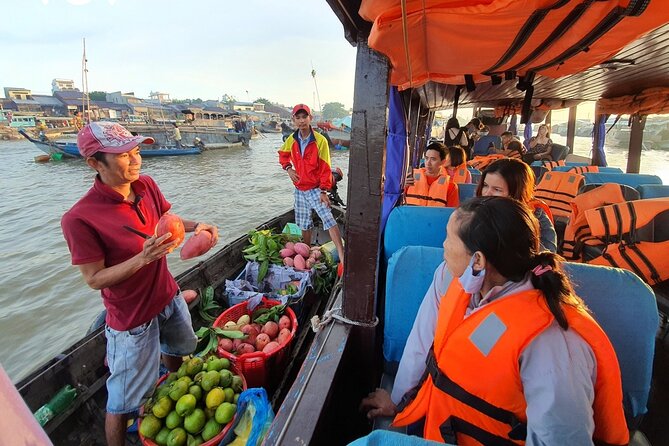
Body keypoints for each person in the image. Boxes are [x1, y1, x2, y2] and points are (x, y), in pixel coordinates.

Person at [361, 196, 628, 446]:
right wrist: (399, 402)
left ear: (477, 261)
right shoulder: (467, 288)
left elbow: (561, 437)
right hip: (442, 429)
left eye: (448, 238)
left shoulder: (551, 342)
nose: (443, 245)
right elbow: (431, 353)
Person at [61, 121, 219, 446]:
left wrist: (197, 226)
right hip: (132, 319)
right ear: (95, 163)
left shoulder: (145, 185)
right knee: (121, 402)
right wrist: (142, 259)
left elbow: (169, 222)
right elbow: (94, 279)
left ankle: (177, 386)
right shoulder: (79, 218)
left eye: (136, 151)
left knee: (179, 349)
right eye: (123, 155)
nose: (135, 160)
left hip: (168, 295)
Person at [278, 104, 345, 265]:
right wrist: (288, 169)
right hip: (300, 189)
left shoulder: (320, 141)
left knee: (329, 220)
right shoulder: (291, 140)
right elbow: (282, 155)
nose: (301, 121)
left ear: (310, 118)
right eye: (298, 117)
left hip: (316, 189)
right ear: (293, 119)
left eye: (304, 117)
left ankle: (343, 258)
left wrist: (323, 191)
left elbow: (325, 168)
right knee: (304, 223)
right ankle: (306, 252)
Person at [477, 158, 556, 252]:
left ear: (516, 193)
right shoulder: (474, 213)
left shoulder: (537, 218)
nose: (487, 193)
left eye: (497, 189)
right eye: (485, 185)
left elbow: (547, 259)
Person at [405, 142, 459, 207]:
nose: (428, 163)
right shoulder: (409, 178)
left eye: (433, 159)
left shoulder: (451, 186)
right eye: (426, 158)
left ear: (443, 162)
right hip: (409, 216)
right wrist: (401, 188)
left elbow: (452, 213)